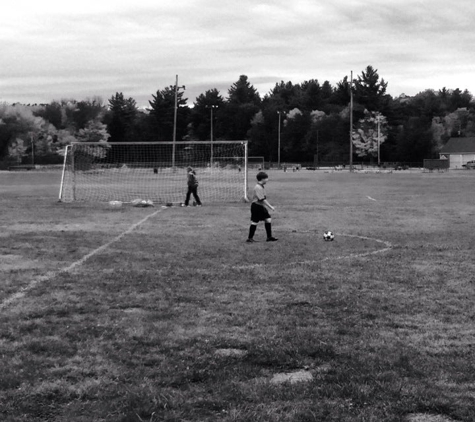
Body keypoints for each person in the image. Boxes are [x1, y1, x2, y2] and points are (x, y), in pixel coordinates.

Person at [247, 171, 278, 242]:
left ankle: (269, 237)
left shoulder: (261, 186)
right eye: (266, 178)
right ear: (262, 179)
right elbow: (262, 199)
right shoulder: (258, 187)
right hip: (256, 207)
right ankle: (250, 238)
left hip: (260, 206)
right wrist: (271, 207)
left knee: (268, 219)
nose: (268, 180)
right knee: (255, 222)